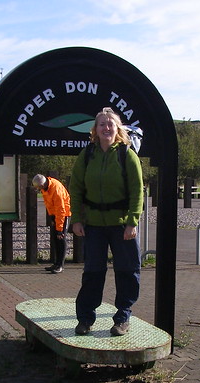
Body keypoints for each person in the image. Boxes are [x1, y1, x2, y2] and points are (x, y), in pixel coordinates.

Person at [69, 107, 144, 336]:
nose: (106, 127)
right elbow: (76, 188)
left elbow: (137, 191)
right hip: (94, 225)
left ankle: (123, 317)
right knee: (92, 272)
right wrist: (77, 219)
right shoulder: (88, 154)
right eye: (102, 124)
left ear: (118, 128)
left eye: (110, 123)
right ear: (95, 129)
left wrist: (132, 222)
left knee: (127, 270)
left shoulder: (126, 154)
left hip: (121, 224)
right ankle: (85, 319)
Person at [32, 174, 71, 274]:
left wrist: (59, 228)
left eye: (38, 188)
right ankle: (56, 263)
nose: (38, 190)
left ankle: (60, 265)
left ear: (42, 185)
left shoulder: (56, 189)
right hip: (55, 215)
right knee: (55, 238)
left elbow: (61, 210)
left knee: (60, 238)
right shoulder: (46, 188)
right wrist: (52, 217)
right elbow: (49, 205)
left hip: (64, 215)